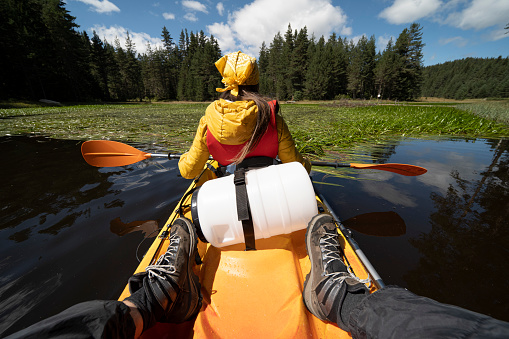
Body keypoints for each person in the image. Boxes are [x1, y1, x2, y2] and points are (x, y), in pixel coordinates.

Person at [8, 213, 509, 338]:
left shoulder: (211, 115)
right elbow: (288, 157)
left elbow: (192, 162)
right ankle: (338, 296)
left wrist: (196, 171)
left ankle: (152, 302)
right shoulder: (271, 111)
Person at [177, 50, 311, 179]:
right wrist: (307, 163)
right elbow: (298, 167)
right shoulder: (273, 119)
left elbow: (188, 172)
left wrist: (185, 157)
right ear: (255, 82)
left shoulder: (207, 122)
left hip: (227, 188)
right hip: (268, 189)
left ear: (226, 81)